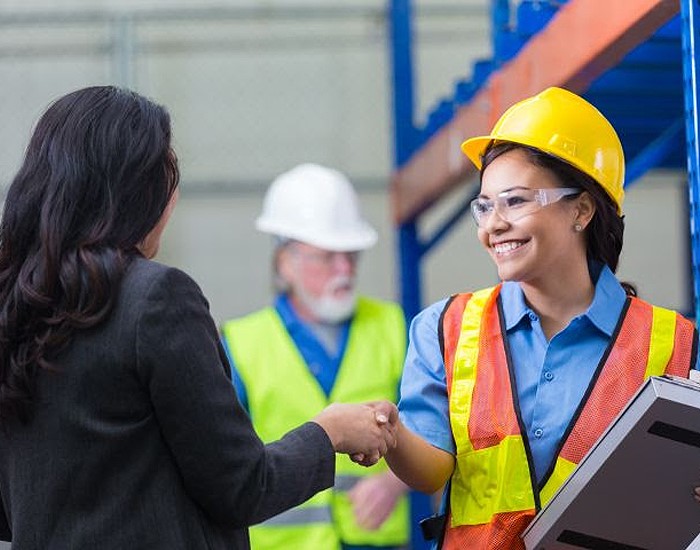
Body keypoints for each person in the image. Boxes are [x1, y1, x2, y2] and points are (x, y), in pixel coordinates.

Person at [0, 86, 400, 549]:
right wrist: (329, 433)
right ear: (140, 192)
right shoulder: (154, 299)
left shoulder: (16, 304)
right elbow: (244, 487)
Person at [383, 87, 699, 549]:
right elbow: (433, 469)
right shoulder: (446, 328)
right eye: (484, 205)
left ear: (582, 210)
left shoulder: (676, 343)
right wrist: (391, 434)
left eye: (515, 201)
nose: (492, 224)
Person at [220, 163, 410, 550]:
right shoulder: (239, 344)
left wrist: (397, 480)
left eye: (351, 255)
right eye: (327, 256)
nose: (344, 269)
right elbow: (222, 463)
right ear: (284, 263)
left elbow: (438, 423)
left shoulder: (393, 326)